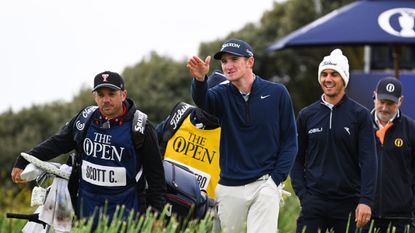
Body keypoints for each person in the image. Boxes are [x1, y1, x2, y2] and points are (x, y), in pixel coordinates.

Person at [11, 71, 166, 222]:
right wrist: (24, 160)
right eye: (100, 95)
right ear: (95, 97)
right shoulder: (85, 119)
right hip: (86, 214)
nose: (106, 100)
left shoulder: (141, 127)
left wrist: (157, 216)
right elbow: (57, 143)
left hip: (126, 216)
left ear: (123, 95)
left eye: (111, 94)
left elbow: (156, 176)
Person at [187, 38, 298, 233]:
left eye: (234, 59)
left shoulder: (277, 93)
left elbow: (290, 141)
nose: (228, 66)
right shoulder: (221, 94)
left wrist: (275, 181)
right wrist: (199, 80)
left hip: (265, 184)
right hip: (229, 187)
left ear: (250, 62)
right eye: (224, 61)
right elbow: (203, 101)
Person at [291, 48, 377, 233]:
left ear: (344, 79)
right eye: (324, 74)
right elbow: (296, 159)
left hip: (349, 204)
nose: (328, 79)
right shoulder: (306, 115)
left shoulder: (360, 115)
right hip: (314, 203)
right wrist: (304, 196)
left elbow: (369, 161)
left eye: (334, 74)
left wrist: (366, 200)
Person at [156, 70, 227, 198]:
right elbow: (149, 150)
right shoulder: (179, 116)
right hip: (162, 204)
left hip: (205, 214)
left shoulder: (232, 133)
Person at [362, 77, 415, 233]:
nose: (384, 108)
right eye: (381, 101)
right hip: (364, 217)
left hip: (402, 220)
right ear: (374, 96)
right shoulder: (360, 127)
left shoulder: (411, 130)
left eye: (390, 103)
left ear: (400, 101)